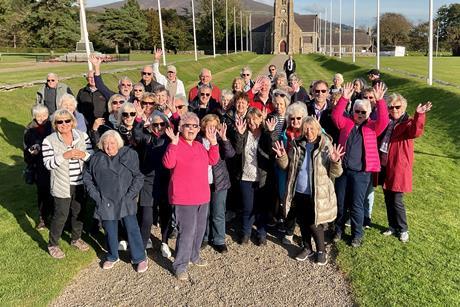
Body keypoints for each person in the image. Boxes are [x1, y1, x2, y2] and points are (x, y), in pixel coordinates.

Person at [273, 116, 343, 265]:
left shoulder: (325, 145)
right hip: (299, 190)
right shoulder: (297, 144)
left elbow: (336, 173)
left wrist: (335, 161)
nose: (309, 132)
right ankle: (307, 247)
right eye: (306, 129)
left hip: (316, 193)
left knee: (314, 223)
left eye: (312, 128)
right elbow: (288, 167)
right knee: (303, 221)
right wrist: (282, 156)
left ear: (318, 129)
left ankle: (321, 250)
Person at [162, 112, 220, 280]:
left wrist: (214, 142)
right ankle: (180, 265)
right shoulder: (176, 144)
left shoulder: (199, 145)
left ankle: (194, 256)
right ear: (181, 128)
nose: (192, 129)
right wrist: (173, 144)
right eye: (188, 125)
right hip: (183, 198)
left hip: (202, 196)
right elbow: (168, 163)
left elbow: (213, 160)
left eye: (195, 126)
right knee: (186, 232)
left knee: (199, 230)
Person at [332, 82, 389, 247]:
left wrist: (380, 101)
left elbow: (384, 121)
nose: (360, 114)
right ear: (353, 112)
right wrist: (344, 98)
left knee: (357, 205)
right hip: (343, 170)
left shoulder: (372, 127)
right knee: (341, 203)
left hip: (362, 173)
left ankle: (357, 234)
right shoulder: (347, 123)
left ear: (369, 113)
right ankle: (338, 230)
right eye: (357, 111)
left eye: (363, 112)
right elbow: (336, 117)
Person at [83, 130, 147, 272]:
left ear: (118, 143)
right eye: (105, 143)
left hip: (125, 199)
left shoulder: (129, 154)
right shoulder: (96, 158)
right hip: (105, 200)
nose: (109, 146)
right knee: (110, 230)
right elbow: (87, 178)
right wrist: (96, 196)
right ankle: (112, 256)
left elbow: (138, 176)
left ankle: (139, 257)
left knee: (132, 228)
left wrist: (130, 195)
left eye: (112, 143)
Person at [379, 95, 431, 243]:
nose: (394, 110)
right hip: (384, 165)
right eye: (391, 107)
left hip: (397, 167)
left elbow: (416, 131)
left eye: (397, 107)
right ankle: (392, 225)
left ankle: (403, 229)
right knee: (388, 197)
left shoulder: (407, 123)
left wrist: (419, 114)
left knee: (397, 199)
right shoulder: (387, 121)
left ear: (403, 108)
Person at [42, 109, 93, 259]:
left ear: (73, 122)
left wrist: (84, 155)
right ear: (55, 124)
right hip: (61, 184)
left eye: (67, 121)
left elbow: (92, 157)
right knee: (61, 215)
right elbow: (48, 164)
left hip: (81, 182)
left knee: (79, 212)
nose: (64, 124)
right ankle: (53, 244)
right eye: (60, 121)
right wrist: (64, 155)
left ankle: (76, 238)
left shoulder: (82, 136)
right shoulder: (49, 140)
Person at [133, 111, 172, 257]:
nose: (159, 127)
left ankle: (164, 242)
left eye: (162, 124)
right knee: (147, 217)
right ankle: (142, 245)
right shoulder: (146, 138)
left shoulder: (170, 139)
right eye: (155, 124)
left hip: (165, 181)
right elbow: (136, 135)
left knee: (165, 214)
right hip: (148, 182)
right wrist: (139, 120)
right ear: (151, 126)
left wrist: (174, 113)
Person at [234, 108, 275, 246]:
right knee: (247, 207)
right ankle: (246, 232)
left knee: (262, 208)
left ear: (260, 119)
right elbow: (238, 151)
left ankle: (261, 234)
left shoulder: (265, 134)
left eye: (255, 119)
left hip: (262, 177)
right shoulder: (244, 134)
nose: (252, 122)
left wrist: (270, 133)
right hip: (246, 176)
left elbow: (271, 150)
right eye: (249, 119)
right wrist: (239, 135)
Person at [199, 115, 235, 253]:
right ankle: (205, 237)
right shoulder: (198, 140)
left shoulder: (220, 140)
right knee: (204, 213)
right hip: (202, 182)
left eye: (214, 126)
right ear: (203, 127)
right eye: (208, 126)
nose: (211, 129)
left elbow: (231, 154)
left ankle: (219, 239)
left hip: (219, 182)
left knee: (218, 213)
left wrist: (224, 139)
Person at [276, 102, 309, 245]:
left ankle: (306, 235)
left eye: (298, 118)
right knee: (290, 204)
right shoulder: (284, 136)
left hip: (305, 176)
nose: (295, 122)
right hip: (288, 175)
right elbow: (283, 163)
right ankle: (289, 232)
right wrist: (282, 156)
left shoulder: (310, 133)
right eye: (292, 119)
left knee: (305, 207)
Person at [23, 104, 53, 230]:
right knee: (42, 193)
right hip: (39, 166)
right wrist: (31, 153)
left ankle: (56, 217)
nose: (42, 118)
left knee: (55, 192)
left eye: (44, 115)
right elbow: (26, 150)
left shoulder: (52, 125)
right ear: (34, 116)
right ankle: (43, 219)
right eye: (38, 116)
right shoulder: (29, 129)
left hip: (52, 163)